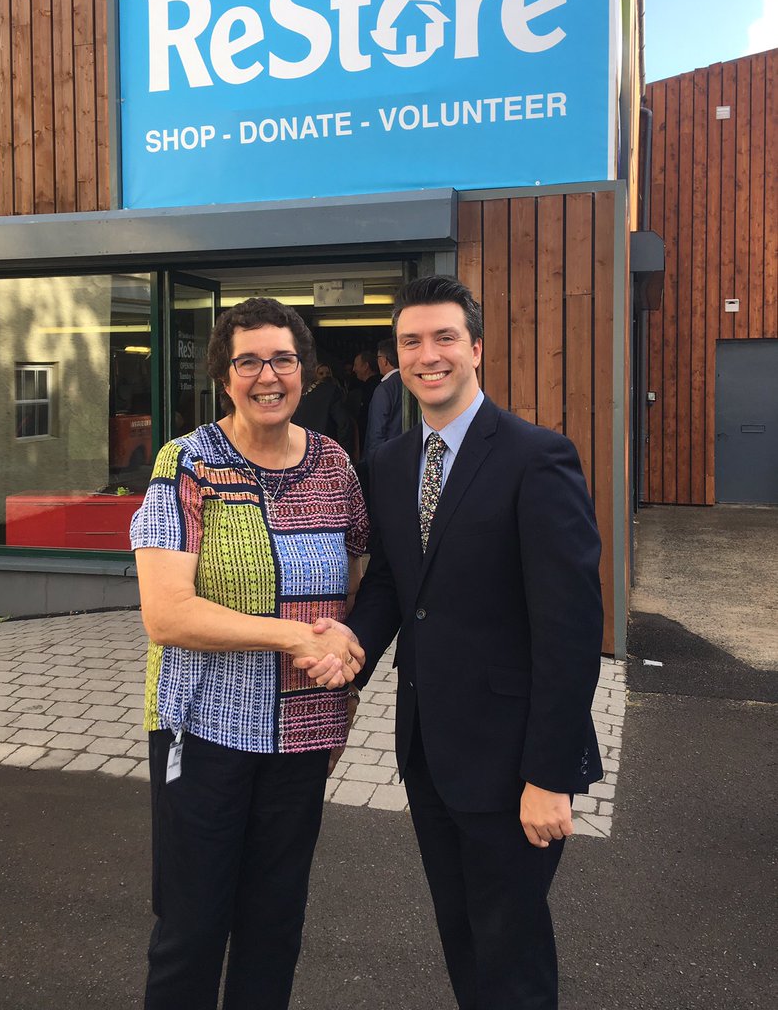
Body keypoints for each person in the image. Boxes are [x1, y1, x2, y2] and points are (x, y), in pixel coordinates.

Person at [304, 275, 604, 1010]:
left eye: (444, 338)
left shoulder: (538, 457)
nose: (427, 355)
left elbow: (571, 630)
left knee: (511, 953)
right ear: (397, 356)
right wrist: (350, 646)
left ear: (476, 348)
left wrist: (550, 774)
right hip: (429, 754)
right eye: (411, 342)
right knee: (464, 938)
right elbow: (392, 586)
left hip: (512, 762)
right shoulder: (391, 463)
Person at [130, 297, 369, 1010]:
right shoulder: (188, 462)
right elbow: (167, 614)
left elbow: (358, 582)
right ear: (223, 375)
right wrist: (293, 635)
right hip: (205, 729)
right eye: (249, 362)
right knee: (193, 926)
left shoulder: (334, 465)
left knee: (274, 924)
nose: (269, 376)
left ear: (306, 370)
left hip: (303, 733)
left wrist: (345, 662)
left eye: (283, 359)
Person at [292, 359, 355, 454]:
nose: (325, 376)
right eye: (321, 373)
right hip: (327, 452)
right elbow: (344, 424)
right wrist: (344, 453)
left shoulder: (292, 397)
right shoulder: (330, 391)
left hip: (299, 454)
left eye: (327, 373)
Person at [362, 337, 403, 464]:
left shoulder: (384, 389)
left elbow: (377, 431)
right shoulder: (410, 383)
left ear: (385, 360)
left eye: (378, 357)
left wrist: (373, 461)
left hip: (386, 459)